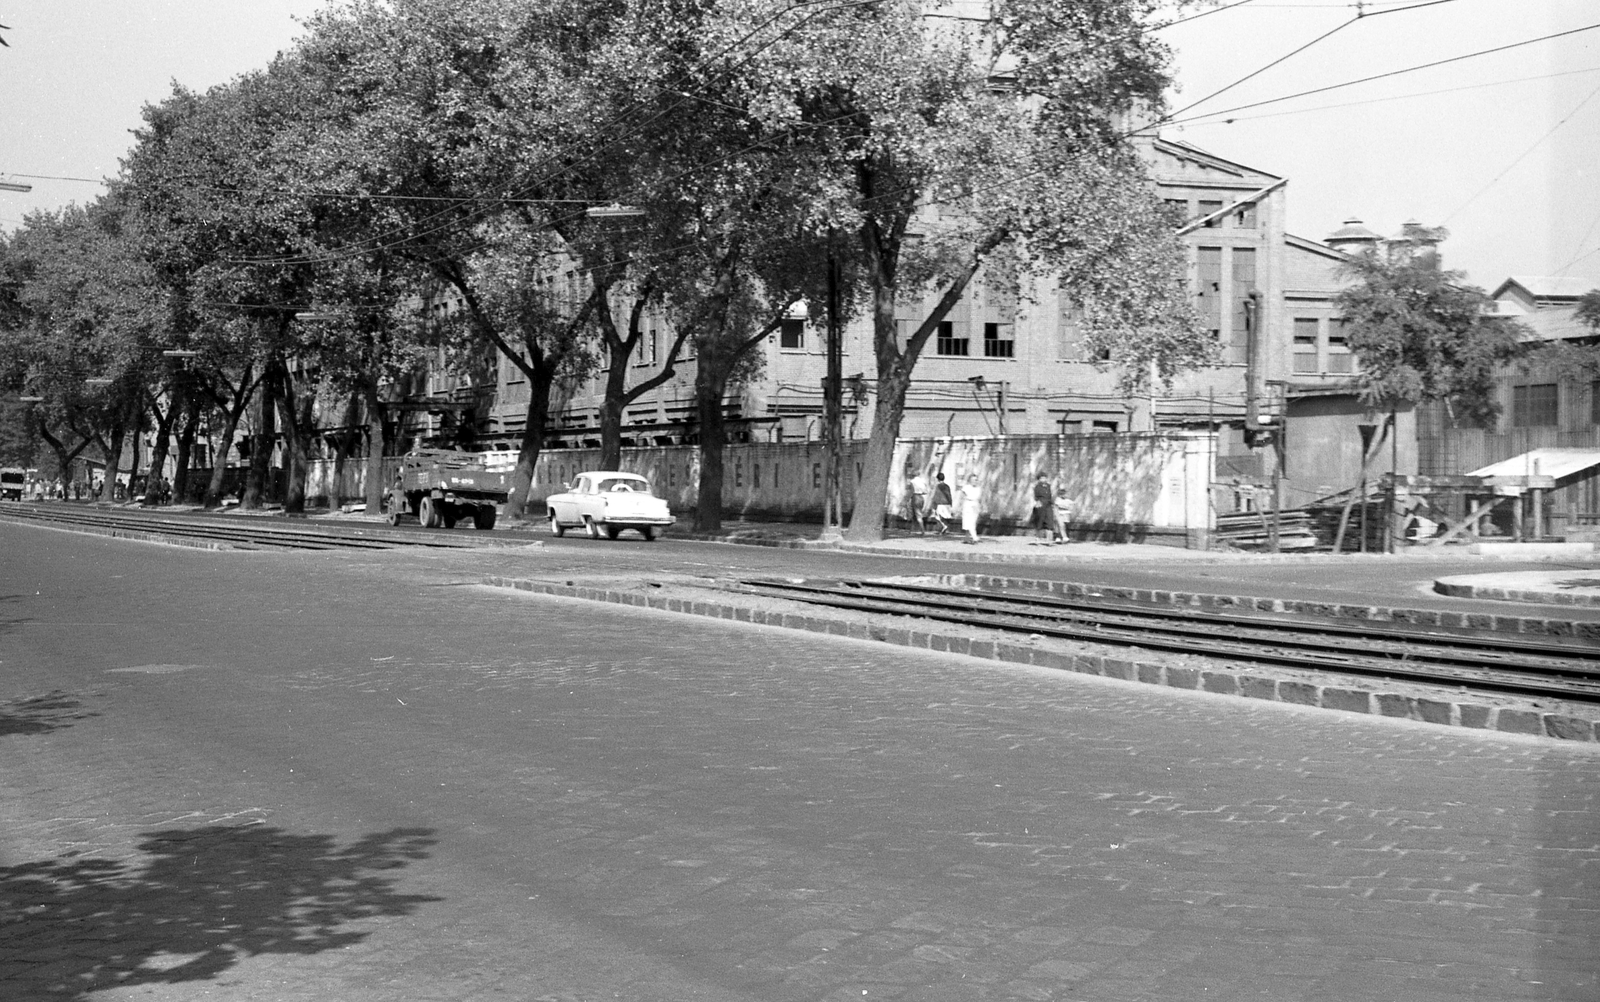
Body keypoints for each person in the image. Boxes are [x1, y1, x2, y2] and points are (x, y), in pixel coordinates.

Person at [1029, 472, 1053, 542]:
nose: (1043, 479)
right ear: (1039, 479)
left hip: (1048, 504)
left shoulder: (1048, 486)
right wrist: (1036, 502)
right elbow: (1035, 496)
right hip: (1040, 504)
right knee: (1039, 521)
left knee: (1049, 521)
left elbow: (1050, 495)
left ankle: (1049, 539)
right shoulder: (1037, 486)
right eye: (1042, 478)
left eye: (1044, 478)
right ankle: (1037, 538)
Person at [959, 474, 982, 544]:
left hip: (975, 504)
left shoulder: (978, 488)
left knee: (973, 521)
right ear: (970, 481)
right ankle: (974, 537)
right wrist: (961, 505)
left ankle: (967, 538)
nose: (975, 481)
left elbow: (980, 498)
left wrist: (980, 506)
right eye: (973, 480)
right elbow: (962, 496)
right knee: (968, 521)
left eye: (976, 480)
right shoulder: (966, 487)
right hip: (968, 504)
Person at [908, 469, 929, 534]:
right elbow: (925, 491)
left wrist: (908, 499)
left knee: (917, 514)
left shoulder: (912, 481)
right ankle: (912, 530)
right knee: (916, 513)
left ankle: (923, 530)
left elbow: (910, 491)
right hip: (921, 498)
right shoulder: (922, 481)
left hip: (915, 497)